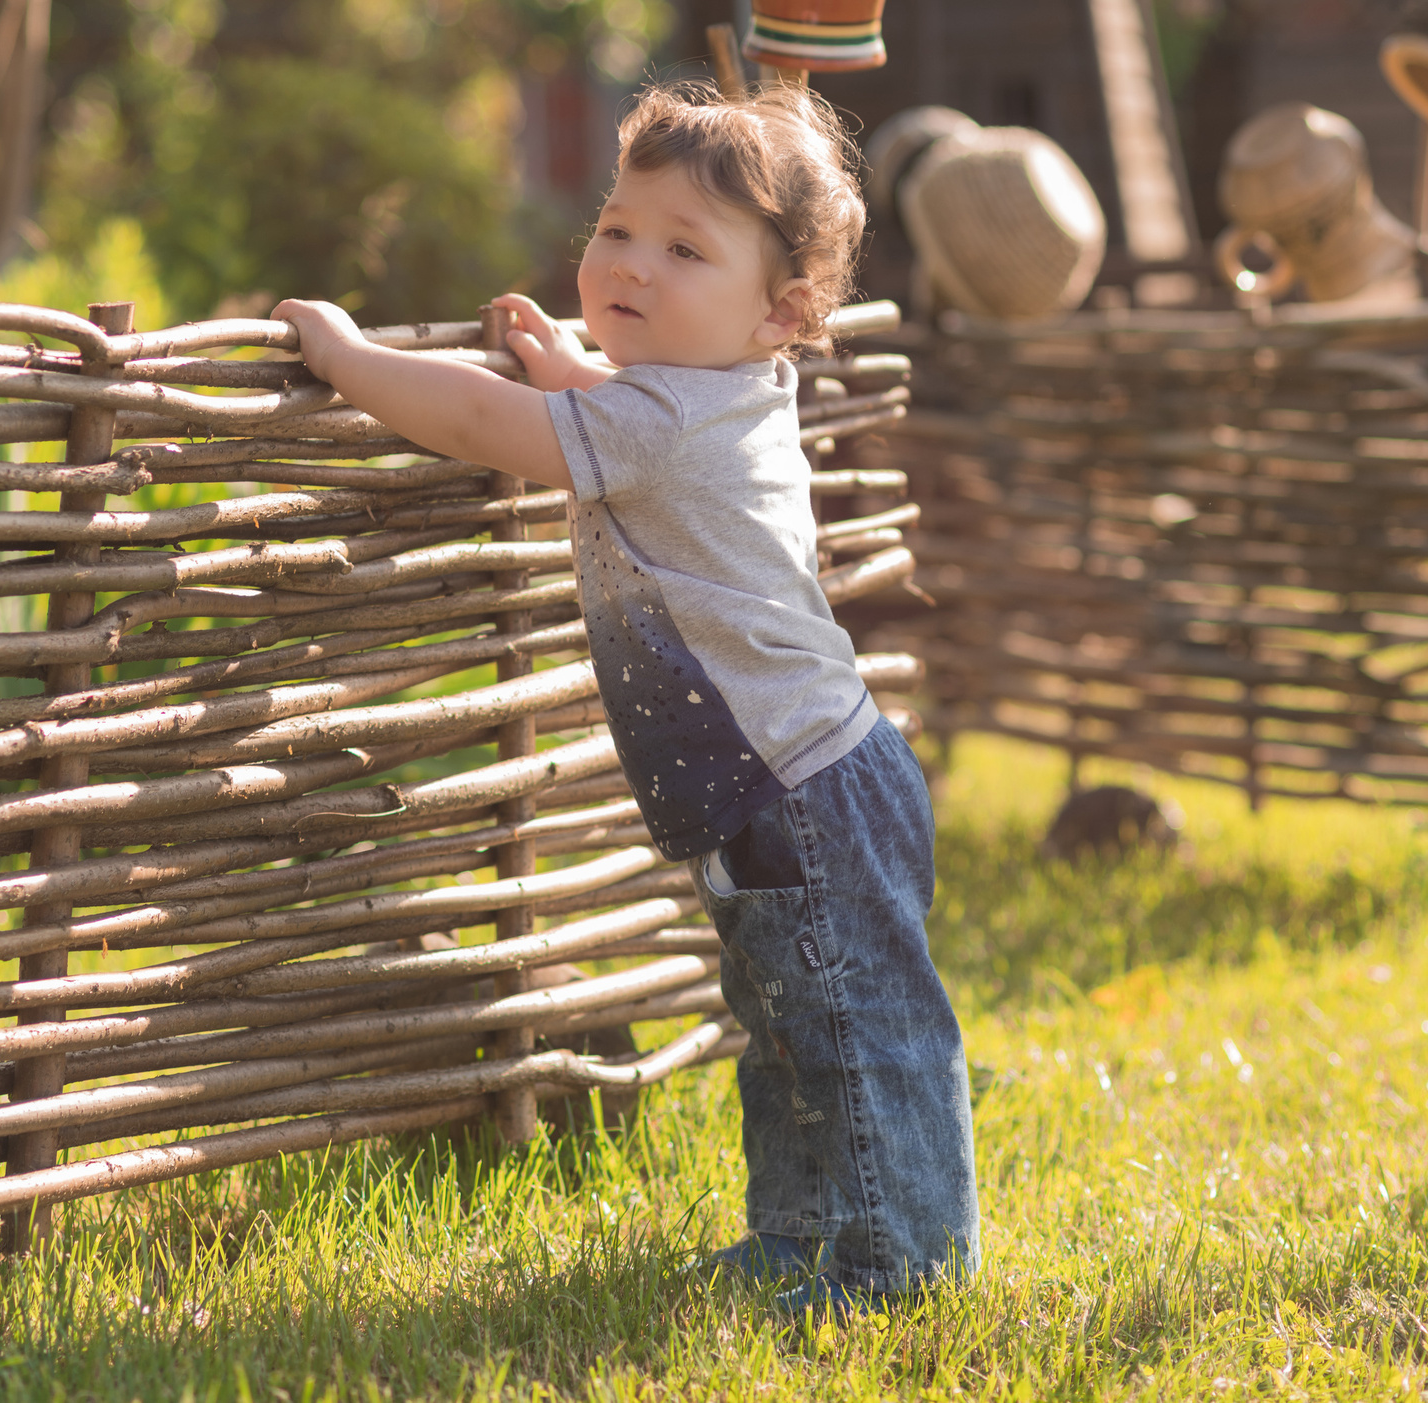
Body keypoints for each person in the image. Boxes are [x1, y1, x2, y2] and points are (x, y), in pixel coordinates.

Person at [275, 78, 978, 1316]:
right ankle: (801, 1239)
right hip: (789, 785)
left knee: (857, 1036)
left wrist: (350, 355)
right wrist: (571, 360)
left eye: (684, 249)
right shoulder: (710, 390)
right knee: (790, 1029)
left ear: (785, 312)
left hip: (799, 786)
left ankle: (899, 1266)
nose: (630, 266)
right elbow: (621, 410)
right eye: (616, 230)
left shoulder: (660, 414)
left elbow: (493, 424)